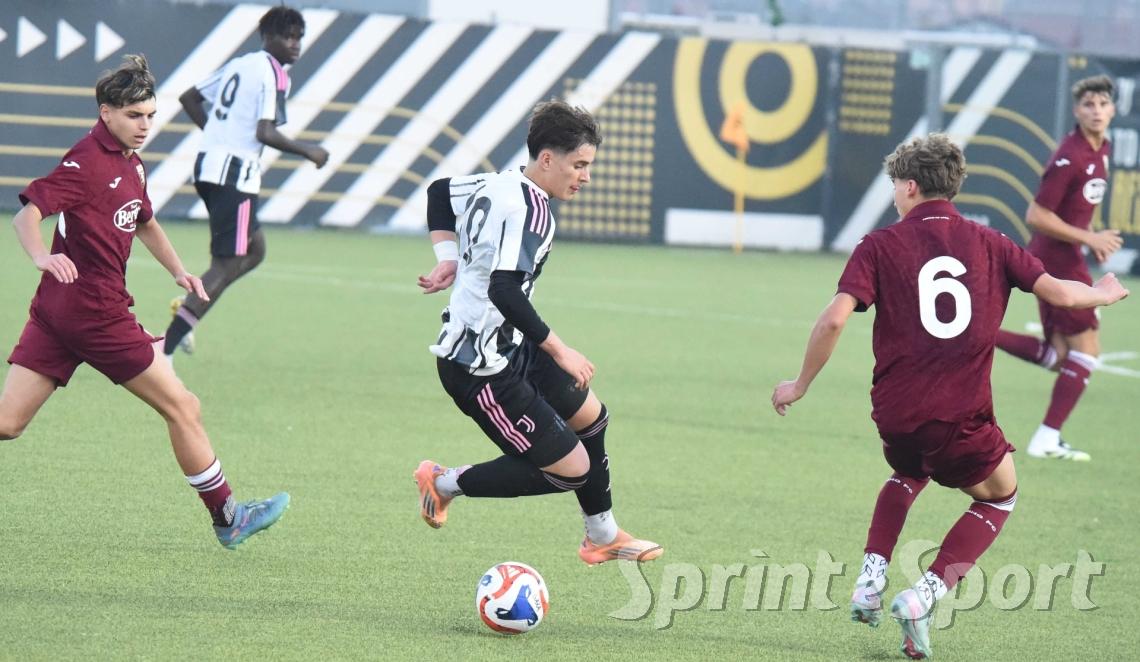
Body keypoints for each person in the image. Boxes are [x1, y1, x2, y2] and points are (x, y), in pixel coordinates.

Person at [771, 134, 1128, 659]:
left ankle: (870, 580)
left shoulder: (879, 244)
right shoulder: (992, 242)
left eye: (895, 183)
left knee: (909, 469)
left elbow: (833, 320)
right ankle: (926, 594)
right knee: (1001, 496)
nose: (895, 193)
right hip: (961, 416)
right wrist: (1102, 293)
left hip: (895, 415)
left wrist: (799, 383)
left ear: (911, 187)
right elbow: (1060, 292)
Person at [0, 54, 289, 549]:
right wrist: (41, 256)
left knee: (7, 423)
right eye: (134, 115)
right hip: (96, 316)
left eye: (151, 115)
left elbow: (145, 221)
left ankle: (228, 518)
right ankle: (229, 518)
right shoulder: (85, 162)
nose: (145, 125)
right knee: (183, 406)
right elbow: (26, 214)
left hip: (57, 312)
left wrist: (178, 270)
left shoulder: (130, 163)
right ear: (106, 112)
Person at [413, 101, 662, 566]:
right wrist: (560, 350)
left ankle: (602, 535)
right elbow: (503, 289)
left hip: (512, 343)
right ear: (547, 159)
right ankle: (442, 483)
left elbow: (439, 191)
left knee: (592, 418)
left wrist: (447, 257)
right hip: (479, 367)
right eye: (579, 165)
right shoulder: (529, 210)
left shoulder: (500, 182)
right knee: (571, 470)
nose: (586, 176)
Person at [162, 5, 329, 358]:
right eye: (288, 36)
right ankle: (166, 349)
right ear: (267, 36)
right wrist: (309, 151)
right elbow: (265, 132)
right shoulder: (274, 73)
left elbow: (189, 97)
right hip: (234, 175)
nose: (295, 44)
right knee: (226, 263)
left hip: (209, 167)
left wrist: (217, 136)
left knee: (255, 251)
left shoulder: (241, 64)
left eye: (299, 38)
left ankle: (190, 307)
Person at [994, 74, 1123, 461]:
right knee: (1088, 351)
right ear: (1076, 111)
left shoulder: (1102, 147)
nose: (1096, 111)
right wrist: (1089, 239)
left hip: (1064, 256)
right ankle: (1046, 438)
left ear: (1113, 109)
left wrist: (1091, 237)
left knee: (1061, 356)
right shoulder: (1071, 155)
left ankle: (982, 333)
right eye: (1088, 105)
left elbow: (1075, 209)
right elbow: (1037, 215)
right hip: (1058, 260)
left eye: (1102, 104)